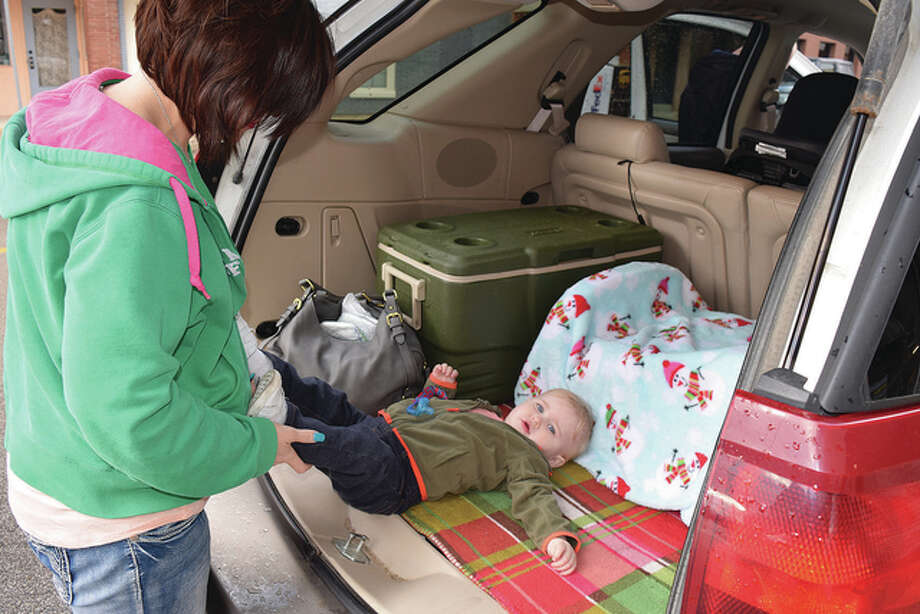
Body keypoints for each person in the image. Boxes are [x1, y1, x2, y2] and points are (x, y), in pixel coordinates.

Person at [0, 1, 334, 612]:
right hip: (127, 526)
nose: (258, 125)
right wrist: (258, 444)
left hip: (61, 470)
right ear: (237, 87)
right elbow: (131, 415)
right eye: (268, 108)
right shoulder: (140, 208)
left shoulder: (82, 122)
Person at [246, 350, 595, 576]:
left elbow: (534, 495)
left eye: (551, 428)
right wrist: (436, 391)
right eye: (539, 407)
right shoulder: (485, 408)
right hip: (380, 427)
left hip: (394, 476)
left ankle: (280, 418)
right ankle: (270, 370)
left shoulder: (525, 456)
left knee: (347, 447)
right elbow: (424, 413)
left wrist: (554, 536)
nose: (537, 420)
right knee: (330, 401)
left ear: (555, 457)